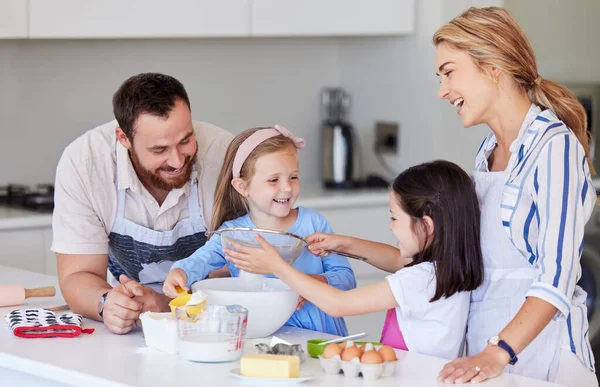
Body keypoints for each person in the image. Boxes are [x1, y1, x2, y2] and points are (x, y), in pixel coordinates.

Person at [433, 7, 597, 386]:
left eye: (449, 72)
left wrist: (497, 353)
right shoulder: (486, 153)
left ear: (492, 66)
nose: (442, 91)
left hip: (543, 358)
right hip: (486, 355)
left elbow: (557, 276)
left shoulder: (556, 147)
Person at [223, 160, 485, 360]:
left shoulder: (420, 279)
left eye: (395, 218)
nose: (391, 227)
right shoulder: (449, 271)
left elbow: (338, 304)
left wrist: (276, 266)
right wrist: (342, 244)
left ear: (426, 226)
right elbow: (394, 258)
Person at [51, 73, 234, 335]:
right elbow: (77, 276)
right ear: (123, 139)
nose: (177, 161)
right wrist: (108, 304)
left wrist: (165, 304)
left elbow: (239, 271)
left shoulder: (226, 158)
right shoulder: (84, 165)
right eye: (159, 150)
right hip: (133, 326)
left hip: (213, 324)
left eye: (185, 141)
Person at [163, 125, 357, 336]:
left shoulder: (314, 224)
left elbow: (346, 278)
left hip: (320, 335)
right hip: (260, 334)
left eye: (293, 177)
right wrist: (179, 272)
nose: (287, 188)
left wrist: (316, 284)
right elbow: (200, 261)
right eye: (274, 180)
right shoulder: (233, 234)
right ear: (242, 187)